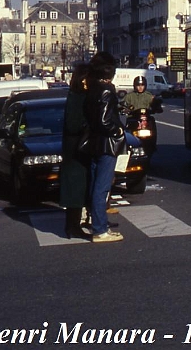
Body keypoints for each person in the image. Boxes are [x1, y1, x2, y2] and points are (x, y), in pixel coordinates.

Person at [84, 52, 127, 244]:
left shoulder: (92, 88)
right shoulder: (106, 90)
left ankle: (97, 223)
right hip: (106, 144)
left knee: (95, 186)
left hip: (93, 143)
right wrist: (117, 131)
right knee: (102, 187)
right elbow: (104, 121)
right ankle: (100, 229)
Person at [59, 63, 91, 239]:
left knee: (77, 188)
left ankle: (73, 225)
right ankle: (72, 226)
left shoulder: (76, 95)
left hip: (74, 147)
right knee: (76, 189)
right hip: (76, 148)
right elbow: (73, 124)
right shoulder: (78, 97)